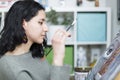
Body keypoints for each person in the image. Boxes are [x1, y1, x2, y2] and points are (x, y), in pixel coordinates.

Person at [0, 0, 71, 80]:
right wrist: (58, 57)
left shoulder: (35, 53)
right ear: (24, 23)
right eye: (40, 22)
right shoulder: (9, 66)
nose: (46, 29)